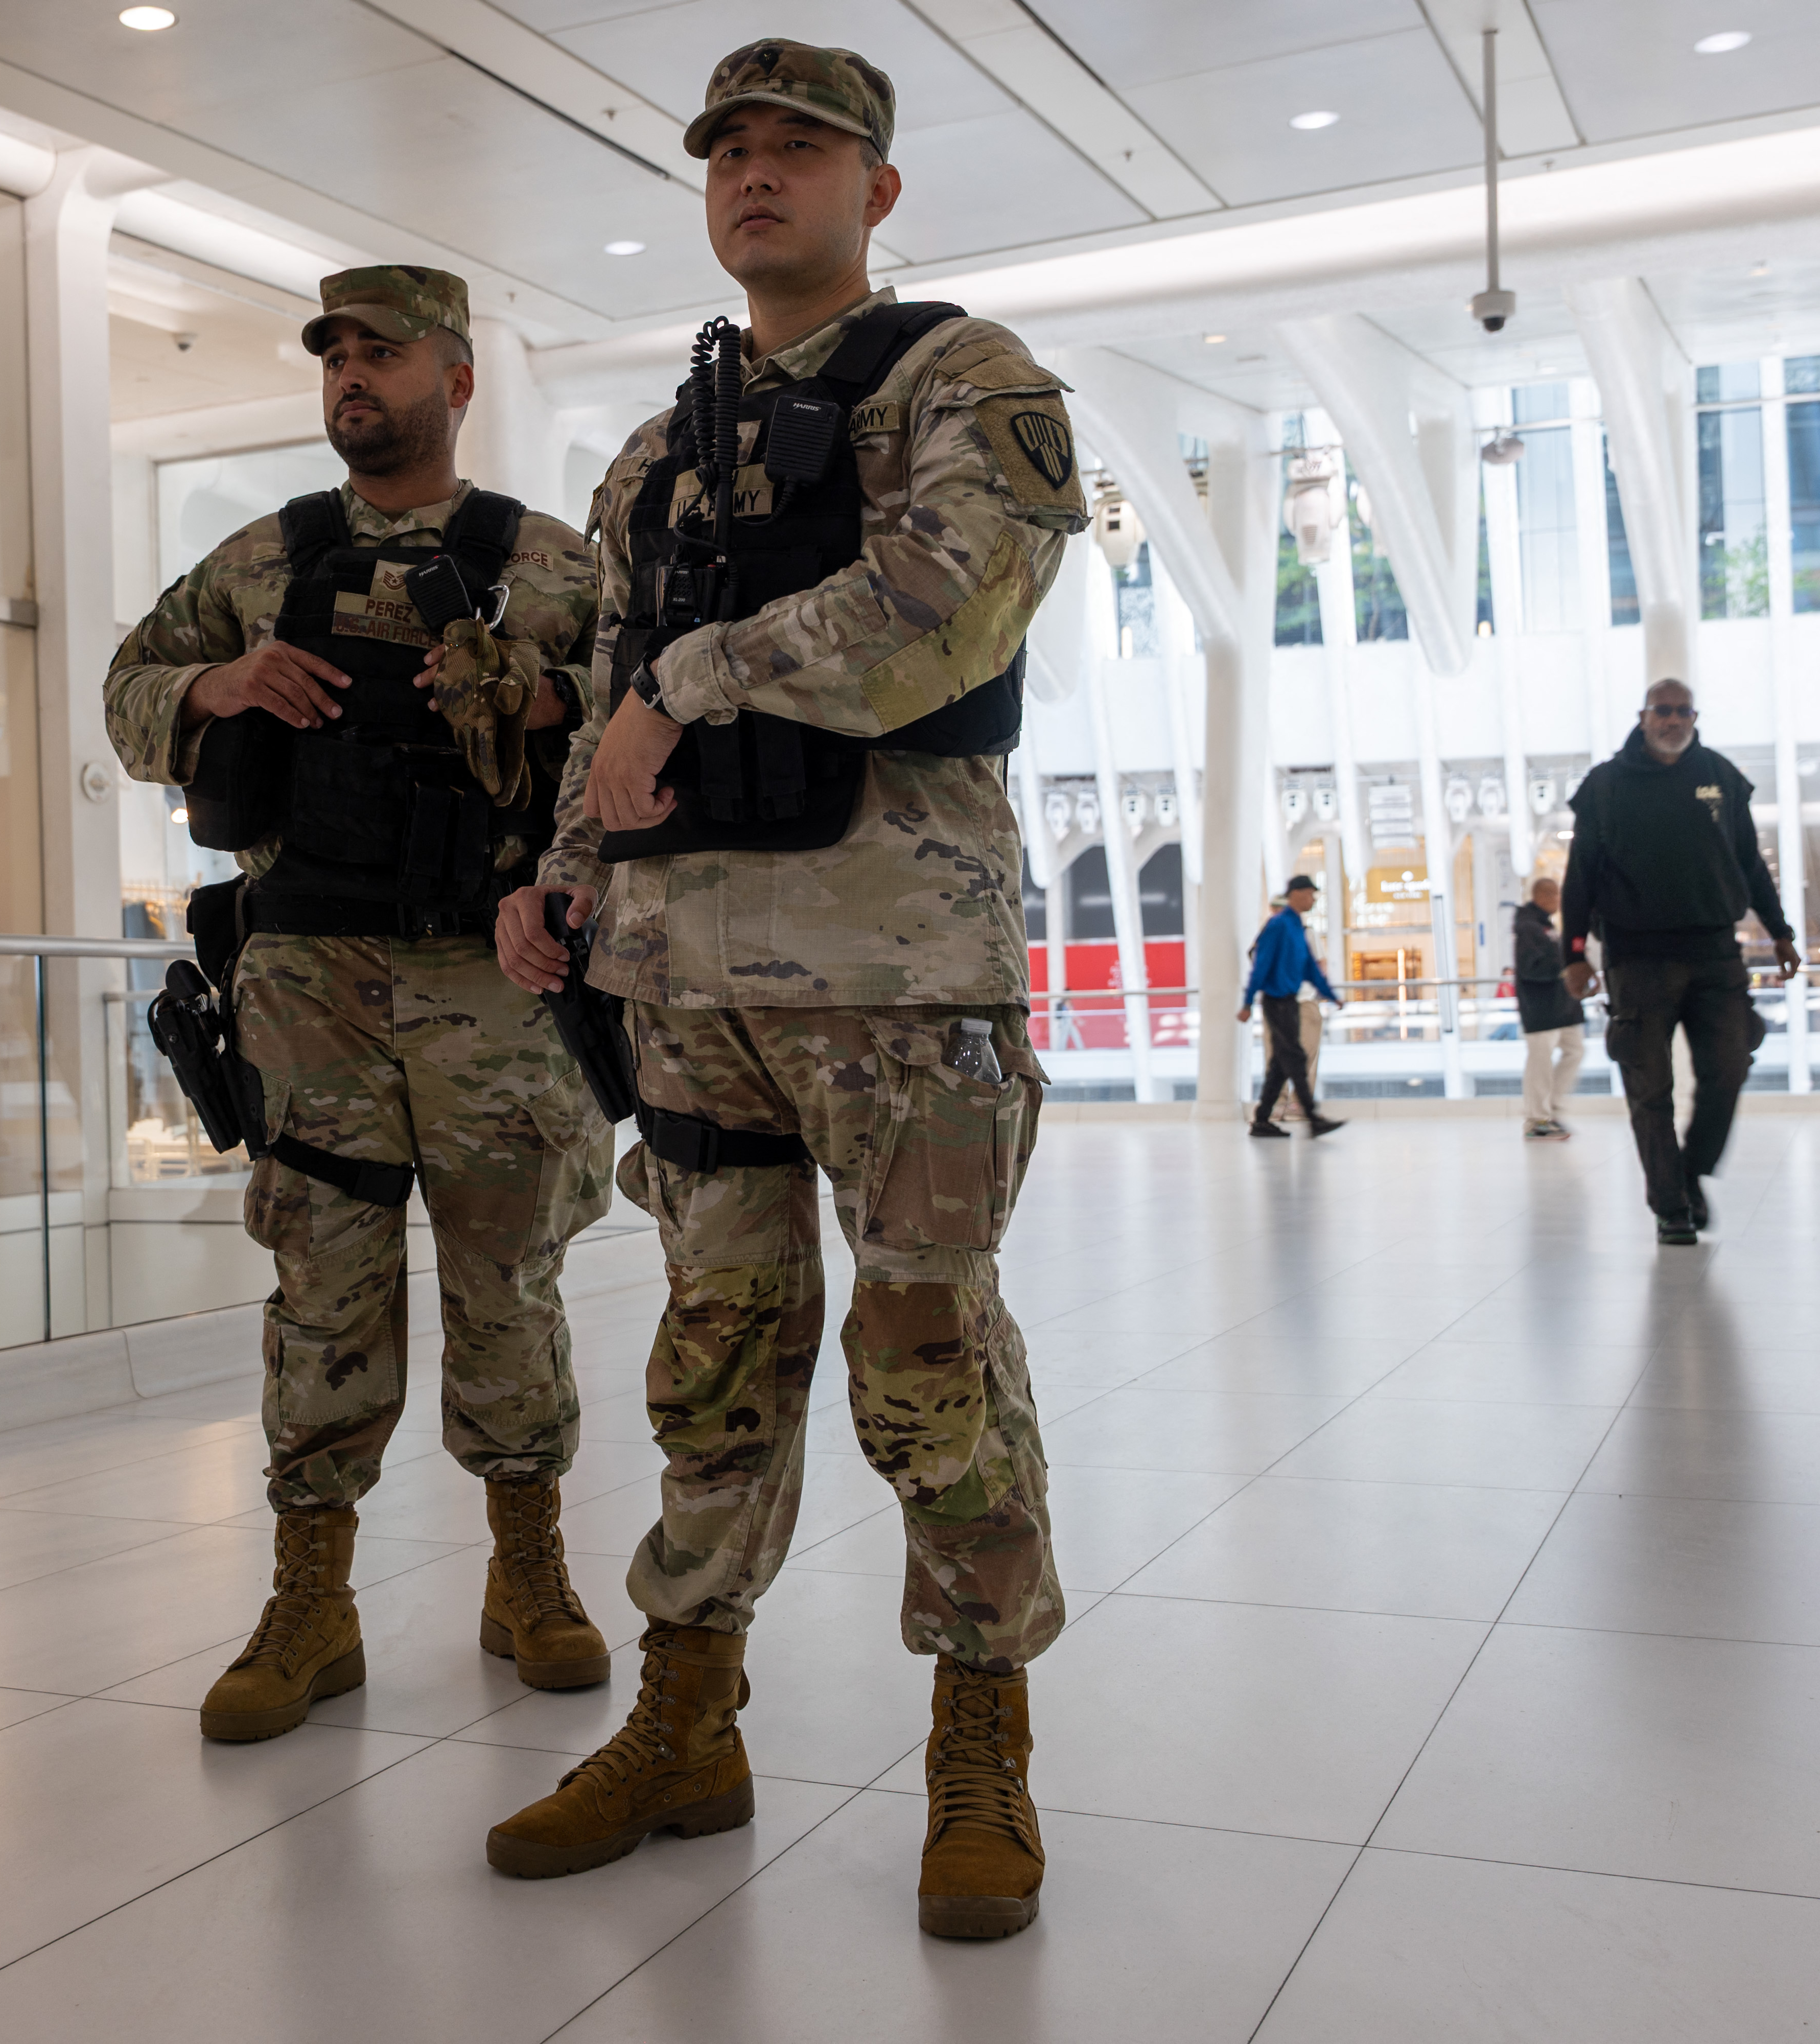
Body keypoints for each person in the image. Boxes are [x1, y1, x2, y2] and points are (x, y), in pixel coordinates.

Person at [488, 40, 1082, 1940]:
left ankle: (978, 1736)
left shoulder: (963, 381)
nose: (757, 177)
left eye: (798, 151)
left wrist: (696, 681)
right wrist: (563, 875)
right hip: (686, 979)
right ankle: (688, 1712)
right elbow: (606, 705)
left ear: (876, 189)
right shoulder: (653, 454)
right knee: (712, 1360)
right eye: (730, 152)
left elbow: (946, 602)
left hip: (897, 974)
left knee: (924, 1352)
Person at [102, 265, 615, 1743]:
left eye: (383, 354)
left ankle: (530, 1573)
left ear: (457, 381)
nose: (351, 377)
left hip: (494, 980)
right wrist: (220, 687)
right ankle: (311, 1604)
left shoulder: (554, 565)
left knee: (509, 1279)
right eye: (333, 355)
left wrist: (545, 703)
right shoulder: (261, 560)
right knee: (320, 1285)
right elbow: (132, 690)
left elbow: (647, 720)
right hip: (308, 978)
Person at [1560, 678, 1800, 1244]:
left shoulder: (1720, 777)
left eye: (1682, 711)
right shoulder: (1606, 786)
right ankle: (1671, 1206)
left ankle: (1689, 1174)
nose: (1672, 720)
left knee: (1730, 1067)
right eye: (1661, 711)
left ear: (1695, 716)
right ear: (1643, 717)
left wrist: (1781, 930)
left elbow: (1749, 862)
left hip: (1715, 952)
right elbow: (1580, 876)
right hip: (1636, 957)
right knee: (1650, 1087)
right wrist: (1574, 951)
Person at [1239, 875, 1345, 1139]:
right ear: (1296, 894)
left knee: (1280, 1064)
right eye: (1310, 894)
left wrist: (1331, 995)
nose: (1313, 900)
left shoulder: (1298, 928)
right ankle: (1312, 1117)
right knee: (1295, 1058)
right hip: (1278, 1003)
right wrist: (1248, 1002)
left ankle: (1262, 1120)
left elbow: (1311, 967)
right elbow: (1260, 967)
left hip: (1290, 1001)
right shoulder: (1277, 926)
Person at [1513, 874, 1584, 1139]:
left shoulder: (1546, 927)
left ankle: (1551, 1109)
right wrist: (1563, 968)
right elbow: (1530, 968)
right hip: (1539, 1008)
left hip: (1560, 1007)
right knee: (1540, 1060)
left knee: (1575, 1050)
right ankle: (1537, 1120)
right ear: (1542, 897)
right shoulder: (1529, 928)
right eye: (1554, 895)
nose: (1558, 900)